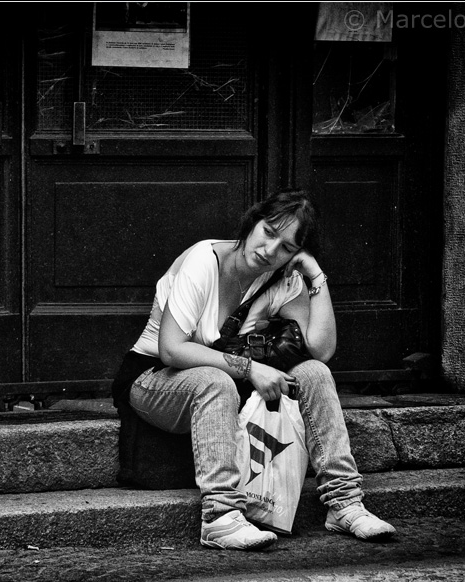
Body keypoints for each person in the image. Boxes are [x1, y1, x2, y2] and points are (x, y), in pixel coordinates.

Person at [111, 189, 396, 550]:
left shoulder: (282, 278)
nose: (269, 249)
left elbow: (321, 350)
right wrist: (249, 369)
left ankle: (344, 503)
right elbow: (171, 349)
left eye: (287, 248)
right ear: (253, 220)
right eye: (269, 231)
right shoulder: (205, 259)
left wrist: (314, 272)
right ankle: (220, 517)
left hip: (227, 382)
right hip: (153, 378)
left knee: (313, 373)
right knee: (214, 382)